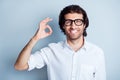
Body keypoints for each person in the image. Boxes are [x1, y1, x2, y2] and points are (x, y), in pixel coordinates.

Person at [14, 5, 106, 80]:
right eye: (68, 22)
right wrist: (35, 38)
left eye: (78, 21)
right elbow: (20, 66)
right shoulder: (51, 51)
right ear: (63, 25)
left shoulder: (97, 53)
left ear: (84, 24)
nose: (73, 26)